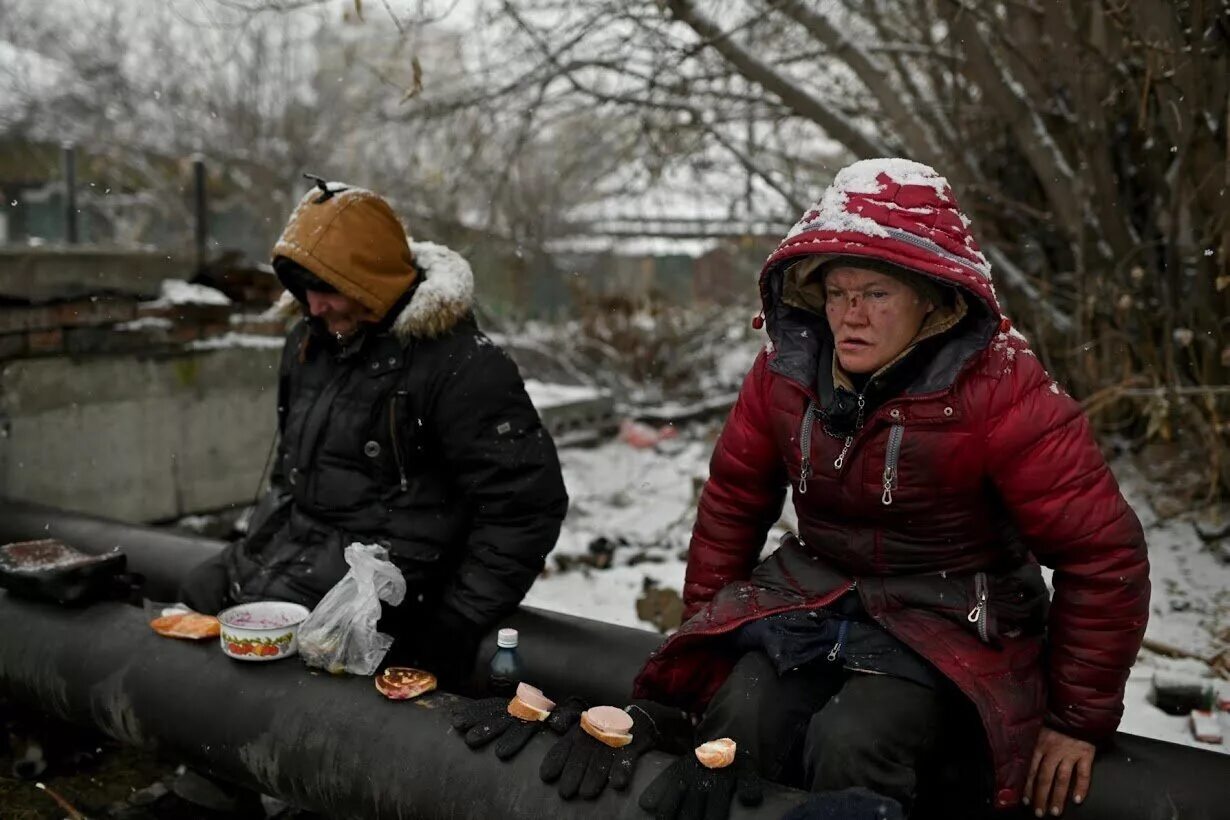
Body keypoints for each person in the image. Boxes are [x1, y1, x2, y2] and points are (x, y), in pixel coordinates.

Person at [628, 158, 1150, 819]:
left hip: (954, 616)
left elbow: (1103, 555)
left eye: (876, 295)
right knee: (737, 718)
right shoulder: (786, 372)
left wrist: (1078, 719)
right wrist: (703, 636)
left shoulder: (1005, 390)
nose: (851, 316)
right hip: (816, 596)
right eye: (838, 294)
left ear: (932, 300)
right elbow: (733, 500)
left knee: (852, 744)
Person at [180, 176, 569, 686]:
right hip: (296, 558)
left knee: (261, 684)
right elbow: (292, 474)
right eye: (303, 290)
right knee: (194, 591)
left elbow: (525, 506)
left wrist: (458, 622)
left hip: (387, 596)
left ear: (373, 280)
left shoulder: (463, 367)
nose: (313, 306)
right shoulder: (310, 344)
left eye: (327, 289)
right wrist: (255, 547)